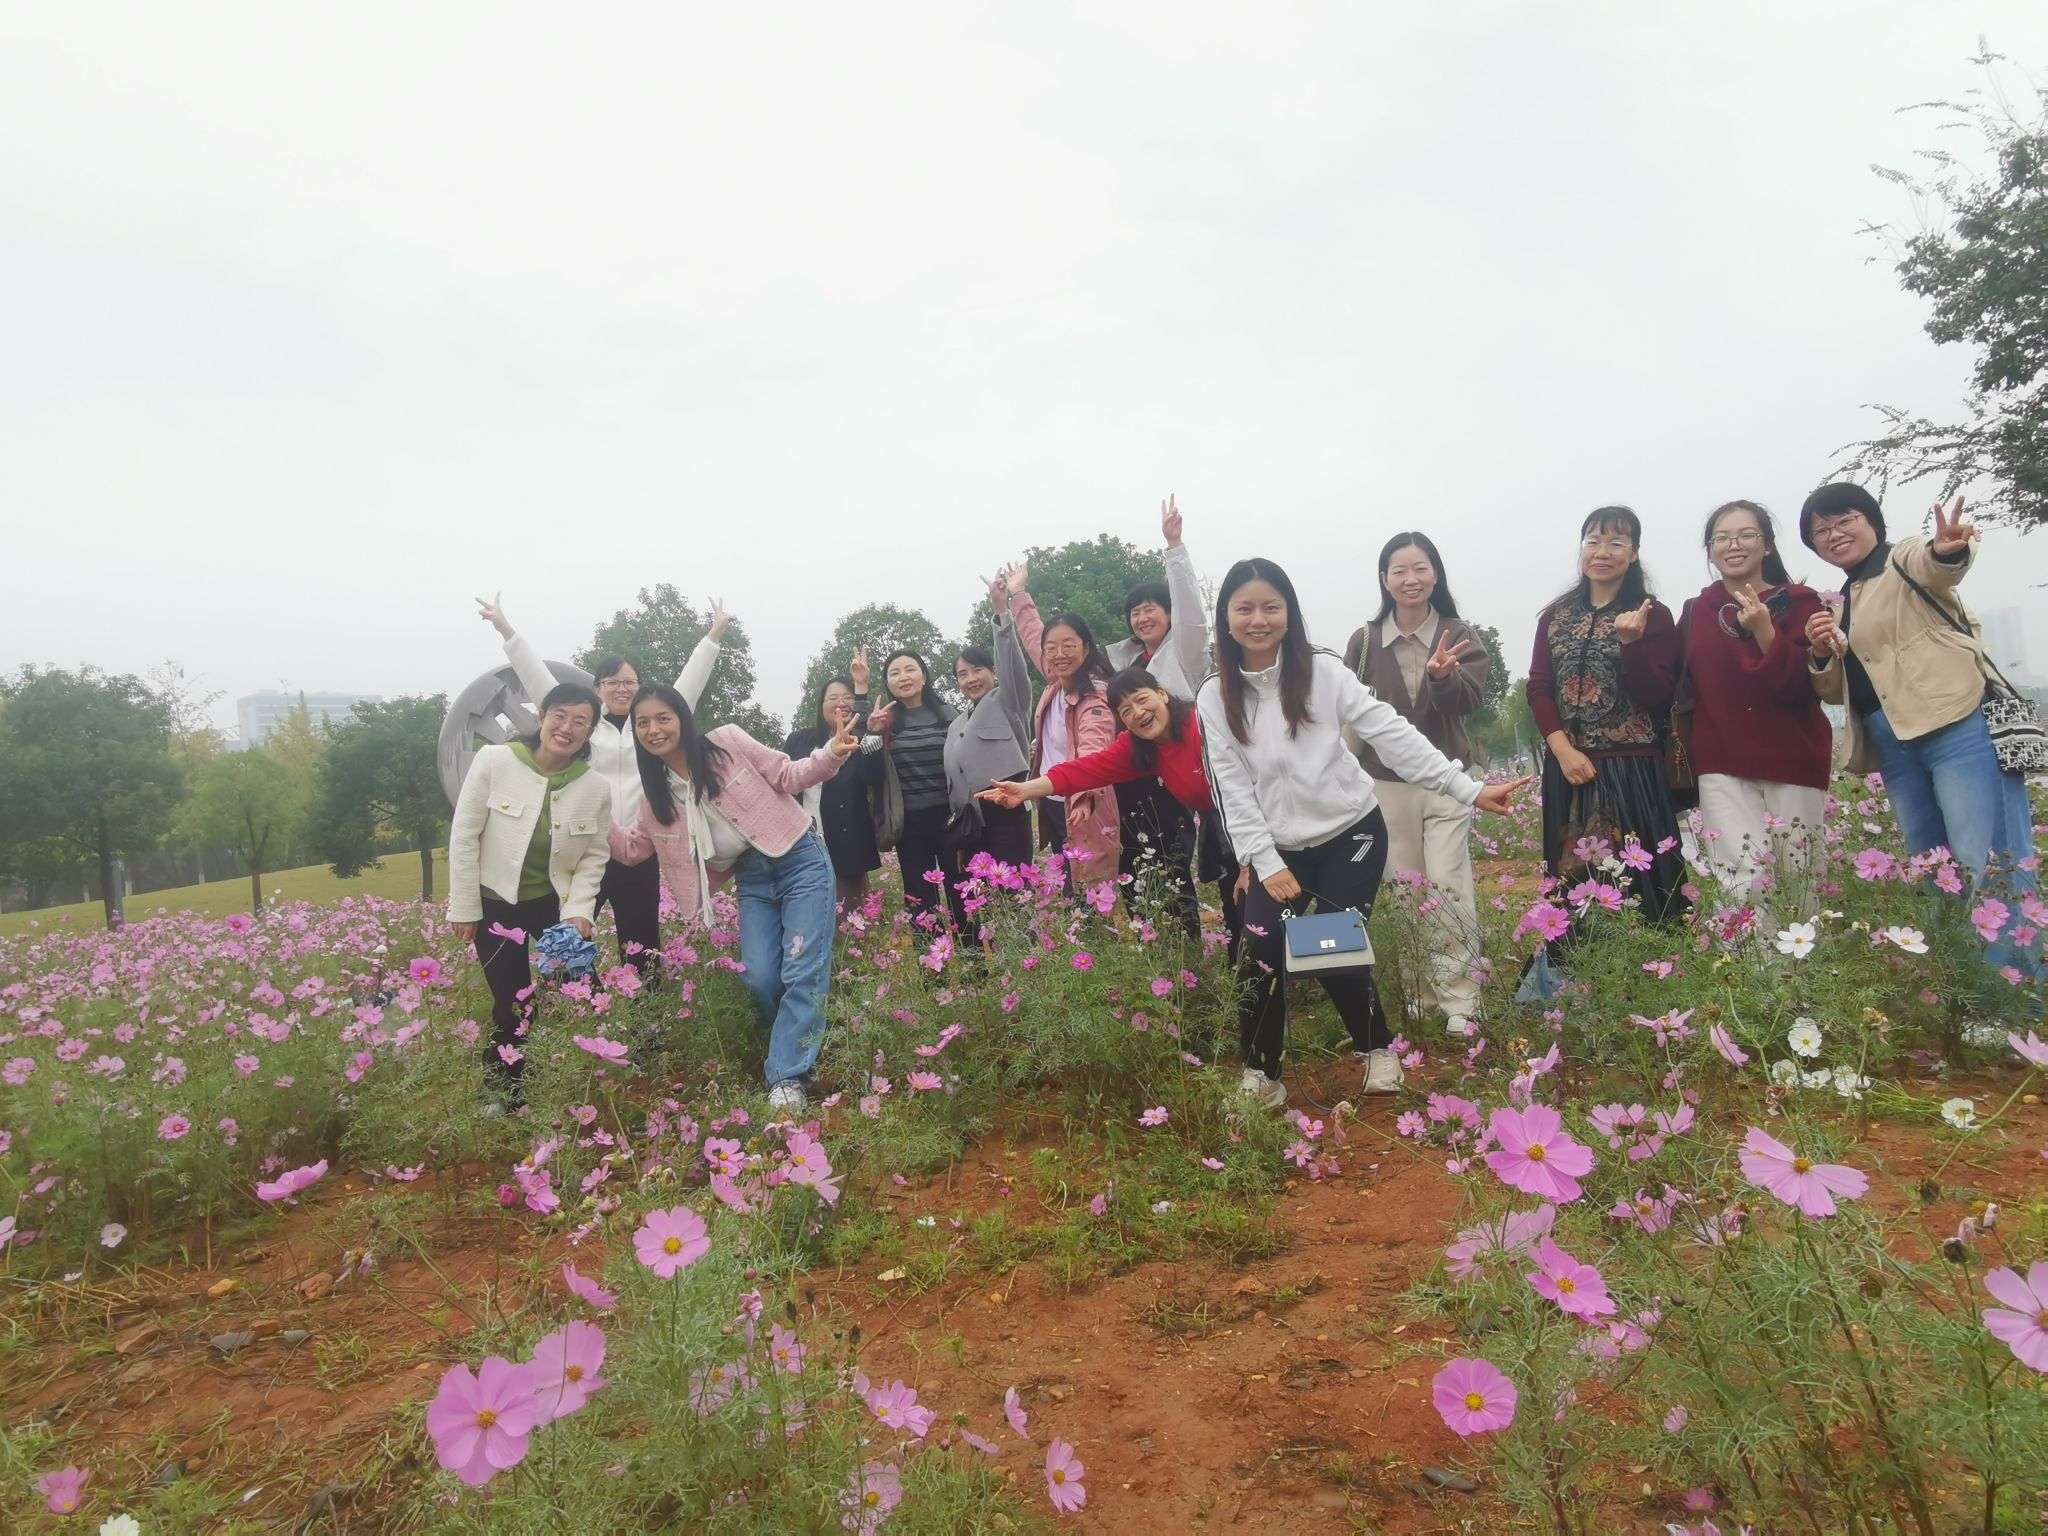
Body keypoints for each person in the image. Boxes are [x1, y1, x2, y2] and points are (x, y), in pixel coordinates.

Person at [1197, 559, 1527, 1107]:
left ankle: (1377, 1049)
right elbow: (1229, 785)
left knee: (1331, 943)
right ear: (1226, 619)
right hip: (1277, 848)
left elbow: (1388, 731)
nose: (1259, 620)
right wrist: (1266, 861)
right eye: (1245, 609)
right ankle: (1262, 1074)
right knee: (1259, 947)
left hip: (1350, 833)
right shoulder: (1214, 695)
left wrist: (1464, 787)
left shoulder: (1323, 671)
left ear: (1289, 613)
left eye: (1271, 607)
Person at [1801, 487, 2040, 977]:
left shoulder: (1903, 559)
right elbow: (1835, 692)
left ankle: (2018, 997)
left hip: (1957, 726)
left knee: (1990, 861)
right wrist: (1821, 653)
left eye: (1844, 520)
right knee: (1934, 869)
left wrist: (1946, 549)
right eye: (1821, 531)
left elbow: (1937, 563)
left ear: (1872, 521)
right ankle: (1963, 992)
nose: (1833, 534)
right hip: (1894, 743)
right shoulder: (1842, 603)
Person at [611, 682, 861, 1114]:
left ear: (682, 719)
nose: (654, 730)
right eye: (643, 723)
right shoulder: (656, 796)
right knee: (760, 977)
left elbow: (786, 775)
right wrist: (592, 814)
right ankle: (799, 1037)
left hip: (800, 859)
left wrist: (831, 753)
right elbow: (633, 848)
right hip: (752, 878)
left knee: (802, 968)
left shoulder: (725, 743)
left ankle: (787, 1077)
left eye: (663, 718)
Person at [479, 593, 731, 977]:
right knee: (568, 939)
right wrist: (505, 629)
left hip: (640, 850)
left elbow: (690, 684)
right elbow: (537, 679)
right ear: (597, 689)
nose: (621, 689)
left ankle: (647, 1009)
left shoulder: (650, 726)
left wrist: (713, 635)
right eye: (612, 682)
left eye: (629, 682)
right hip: (585, 851)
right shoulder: (583, 726)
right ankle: (578, 1002)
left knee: (642, 944)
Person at [1341, 532, 1492, 1037]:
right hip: (1386, 783)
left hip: (1448, 779)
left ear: (1436, 574)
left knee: (1448, 883)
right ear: (1384, 580)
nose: (1411, 579)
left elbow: (1466, 703)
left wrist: (1443, 677)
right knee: (1406, 888)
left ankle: (1461, 1000)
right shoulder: (1364, 641)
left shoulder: (1458, 633)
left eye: (1421, 568)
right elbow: (1352, 718)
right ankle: (1419, 995)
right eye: (1399, 570)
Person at [978, 665, 1242, 953]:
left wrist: (1250, 863)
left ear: (1162, 694)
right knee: (1240, 914)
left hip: (1258, 817)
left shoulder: (1201, 723)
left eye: (1142, 699)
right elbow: (1084, 770)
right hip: (1227, 827)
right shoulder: (1141, 747)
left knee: (1257, 916)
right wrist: (1025, 790)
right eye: (1126, 711)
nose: (1138, 713)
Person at [447, 682, 613, 1102]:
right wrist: (464, 907)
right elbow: (464, 836)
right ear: (541, 718)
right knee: (513, 1002)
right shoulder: (495, 760)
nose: (567, 728)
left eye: (580, 722)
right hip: (495, 904)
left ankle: (593, 1075)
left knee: (584, 985)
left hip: (552, 906)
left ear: (589, 732)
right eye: (559, 716)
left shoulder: (594, 787)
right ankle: (505, 1090)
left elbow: (594, 855)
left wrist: (579, 911)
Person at [1527, 507, 1687, 924]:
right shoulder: (1556, 617)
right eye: (1593, 541)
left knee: (1642, 883)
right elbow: (1539, 688)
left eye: (1616, 543)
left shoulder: (1652, 615)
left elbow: (1659, 694)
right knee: (1572, 881)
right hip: (1568, 769)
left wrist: (1631, 644)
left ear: (1633, 554)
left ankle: (1659, 957)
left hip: (1632, 769)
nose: (1603, 552)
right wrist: (1563, 752)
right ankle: (1576, 961)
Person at [1680, 501, 1832, 915]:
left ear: (1767, 545)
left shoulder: (1800, 603)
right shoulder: (1697, 611)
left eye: (1747, 535)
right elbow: (1671, 683)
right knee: (1739, 881)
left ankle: (1803, 956)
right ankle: (1751, 960)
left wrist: (1764, 628)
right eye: (1722, 538)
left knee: (1800, 877)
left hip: (1792, 758)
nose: (1734, 545)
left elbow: (1797, 687)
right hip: (1720, 762)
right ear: (1710, 550)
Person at [1103, 496, 1213, 907]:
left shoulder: (1185, 652)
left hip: (1178, 771)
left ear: (1169, 614)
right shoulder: (1128, 663)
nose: (1142, 618)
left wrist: (1174, 548)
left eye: (1150, 609)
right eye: (1134, 613)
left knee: (1174, 868)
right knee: (1135, 870)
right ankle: (1148, 936)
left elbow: (1192, 613)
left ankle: (1187, 943)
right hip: (1138, 772)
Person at [938, 568, 1039, 924]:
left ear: (992, 672)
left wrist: (1001, 612)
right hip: (972, 823)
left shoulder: (1008, 700)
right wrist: (961, 838)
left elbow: (1013, 666)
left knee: (1014, 899)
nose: (971, 679)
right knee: (984, 907)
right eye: (962, 674)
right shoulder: (956, 725)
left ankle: (1028, 957)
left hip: (1007, 812)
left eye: (977, 670)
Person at [1012, 584, 1124, 892]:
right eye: (1051, 648)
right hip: (1052, 800)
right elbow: (1032, 635)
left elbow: (1094, 748)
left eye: (1069, 645)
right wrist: (1018, 594)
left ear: (1086, 648)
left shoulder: (1095, 695)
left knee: (1087, 888)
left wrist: (1084, 794)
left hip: (1081, 805)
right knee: (1068, 884)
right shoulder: (1056, 682)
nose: (1059, 654)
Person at [783, 651, 885, 913]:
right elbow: (783, 783)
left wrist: (862, 690)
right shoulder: (799, 740)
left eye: (847, 697)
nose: (841, 703)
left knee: (851, 922)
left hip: (847, 845)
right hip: (803, 843)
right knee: (806, 915)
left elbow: (873, 777)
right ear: (821, 706)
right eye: (833, 698)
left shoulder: (859, 740)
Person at [863, 649, 957, 924]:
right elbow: (870, 775)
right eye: (895, 673)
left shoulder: (948, 714)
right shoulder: (885, 721)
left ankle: (973, 953)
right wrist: (872, 733)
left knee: (960, 892)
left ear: (924, 676)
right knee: (920, 902)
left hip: (952, 819)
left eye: (910, 669)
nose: (903, 677)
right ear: (888, 684)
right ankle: (930, 953)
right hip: (910, 824)